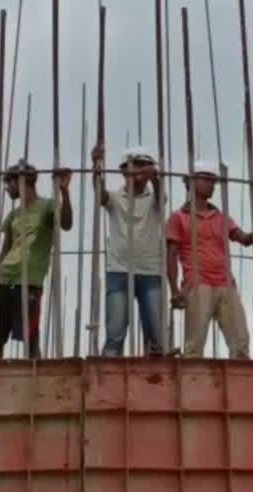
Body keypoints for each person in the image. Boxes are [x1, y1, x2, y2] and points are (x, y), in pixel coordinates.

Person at [166, 163, 253, 358]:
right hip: (197, 283)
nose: (212, 185)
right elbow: (171, 256)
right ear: (191, 183)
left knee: (241, 342)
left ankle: (241, 385)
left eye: (213, 181)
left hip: (225, 283)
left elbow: (245, 239)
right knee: (194, 347)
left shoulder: (222, 218)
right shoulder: (178, 217)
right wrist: (174, 290)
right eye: (206, 179)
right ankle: (193, 383)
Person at [0, 160, 73, 359]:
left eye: (9, 182)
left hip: (29, 281)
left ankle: (35, 385)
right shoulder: (13, 215)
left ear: (21, 181)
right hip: (4, 279)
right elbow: (4, 252)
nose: (7, 188)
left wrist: (64, 192)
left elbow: (66, 224)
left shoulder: (47, 206)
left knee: (30, 340)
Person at [92, 145, 164, 357]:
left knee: (156, 338)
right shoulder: (115, 198)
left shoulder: (154, 200)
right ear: (124, 171)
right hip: (118, 270)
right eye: (135, 166)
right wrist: (96, 167)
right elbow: (100, 195)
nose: (139, 171)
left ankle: (156, 380)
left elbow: (160, 195)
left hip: (150, 271)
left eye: (144, 166)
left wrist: (155, 179)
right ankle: (108, 376)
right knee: (115, 333)